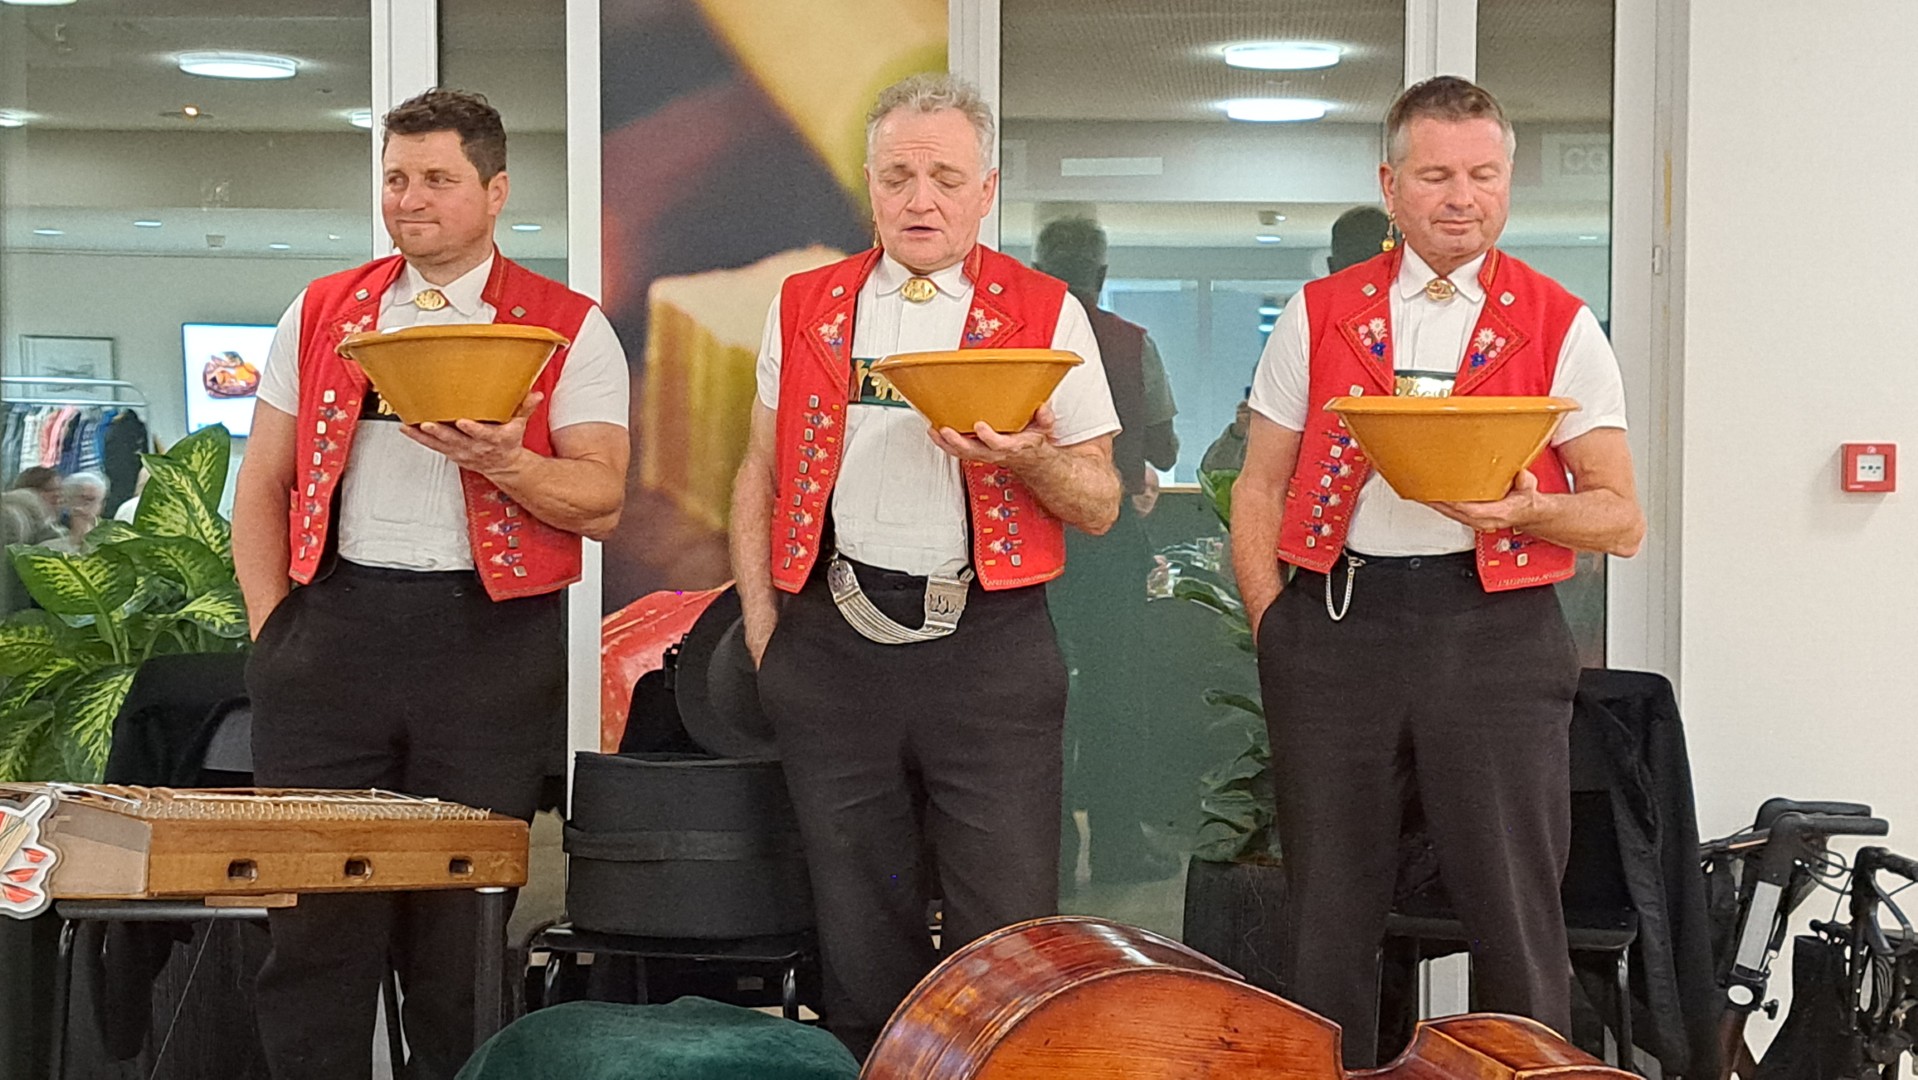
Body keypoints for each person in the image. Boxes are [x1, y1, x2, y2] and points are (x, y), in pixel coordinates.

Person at [1230, 76, 1644, 1067]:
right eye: (1435, 175)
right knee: (1326, 908)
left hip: (1495, 629)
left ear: (1507, 182)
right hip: (1338, 621)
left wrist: (1529, 508)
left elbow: (1621, 518)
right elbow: (1257, 488)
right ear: (1390, 182)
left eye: (1481, 175)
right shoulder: (1319, 313)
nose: (1459, 196)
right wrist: (1273, 629)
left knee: (1512, 906)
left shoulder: (1559, 323)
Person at [232, 88, 630, 1080]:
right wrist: (272, 632)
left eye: (437, 179)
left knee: (456, 941)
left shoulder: (566, 327)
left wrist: (503, 461)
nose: (410, 200)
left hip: (488, 645)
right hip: (331, 633)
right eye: (396, 177)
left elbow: (601, 502)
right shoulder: (323, 310)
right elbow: (263, 488)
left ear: (495, 193)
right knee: (313, 931)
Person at [729, 73, 1121, 1059]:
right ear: (869, 183)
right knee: (855, 928)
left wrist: (1025, 455)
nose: (920, 199)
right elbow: (758, 470)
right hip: (832, 641)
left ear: (985, 191)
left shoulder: (1043, 310)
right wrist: (772, 635)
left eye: (945, 176)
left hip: (989, 647)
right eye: (898, 175)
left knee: (1006, 930)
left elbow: (1101, 501)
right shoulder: (805, 305)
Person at [1031, 215, 1180, 886]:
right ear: (1102, 276)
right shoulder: (1131, 343)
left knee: (1039, 698)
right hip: (1109, 534)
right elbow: (1166, 448)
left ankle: (1051, 854)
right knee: (1119, 695)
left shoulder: (1020, 341)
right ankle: (1120, 846)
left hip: (1033, 540)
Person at [50, 470, 107, 552]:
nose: (86, 504)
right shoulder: (50, 540)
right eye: (83, 498)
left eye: (92, 499)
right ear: (67, 499)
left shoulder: (108, 540)